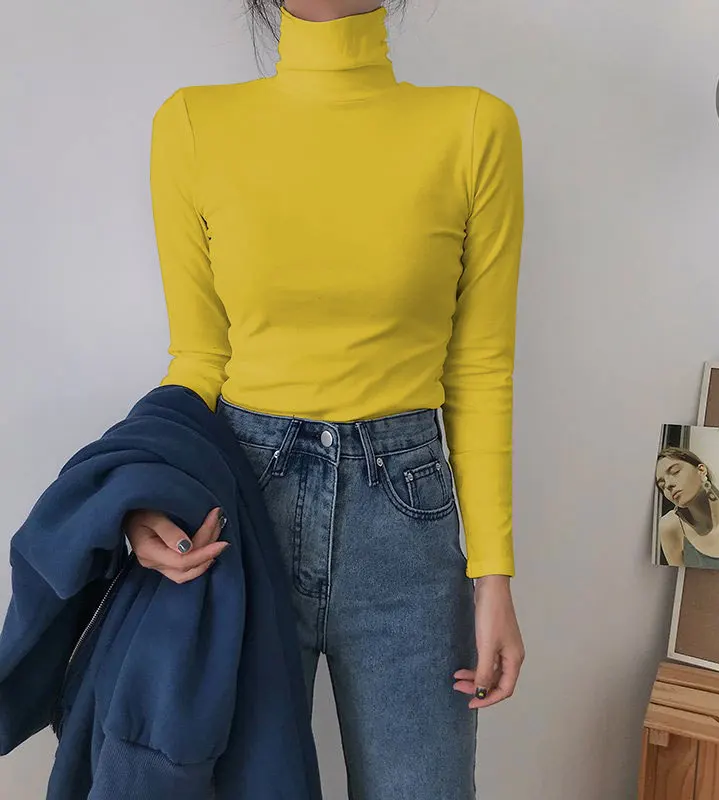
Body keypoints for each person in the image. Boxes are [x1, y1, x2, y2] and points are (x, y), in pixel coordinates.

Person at [123, 1, 526, 797]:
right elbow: (199, 358)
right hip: (238, 519)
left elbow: (479, 369)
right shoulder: (192, 125)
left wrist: (494, 575)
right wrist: (145, 496)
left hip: (407, 530)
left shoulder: (476, 128)